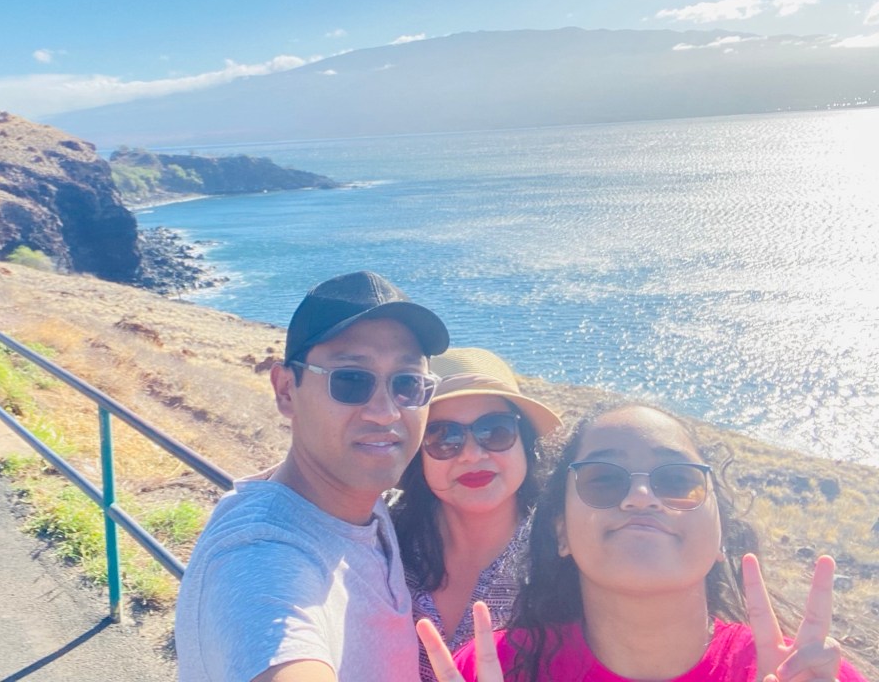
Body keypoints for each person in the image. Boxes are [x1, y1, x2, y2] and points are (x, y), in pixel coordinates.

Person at [420, 403, 866, 682]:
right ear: (561, 532)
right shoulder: (490, 670)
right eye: (602, 480)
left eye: (677, 481)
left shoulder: (807, 673)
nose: (640, 497)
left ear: (721, 536)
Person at [175, 270, 450, 682]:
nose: (386, 412)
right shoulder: (258, 558)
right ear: (286, 390)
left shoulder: (358, 504)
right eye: (351, 380)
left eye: (407, 384)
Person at [391, 347, 562, 681]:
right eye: (443, 437)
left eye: (495, 431)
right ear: (417, 454)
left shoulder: (565, 552)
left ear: (526, 442)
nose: (471, 454)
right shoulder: (382, 535)